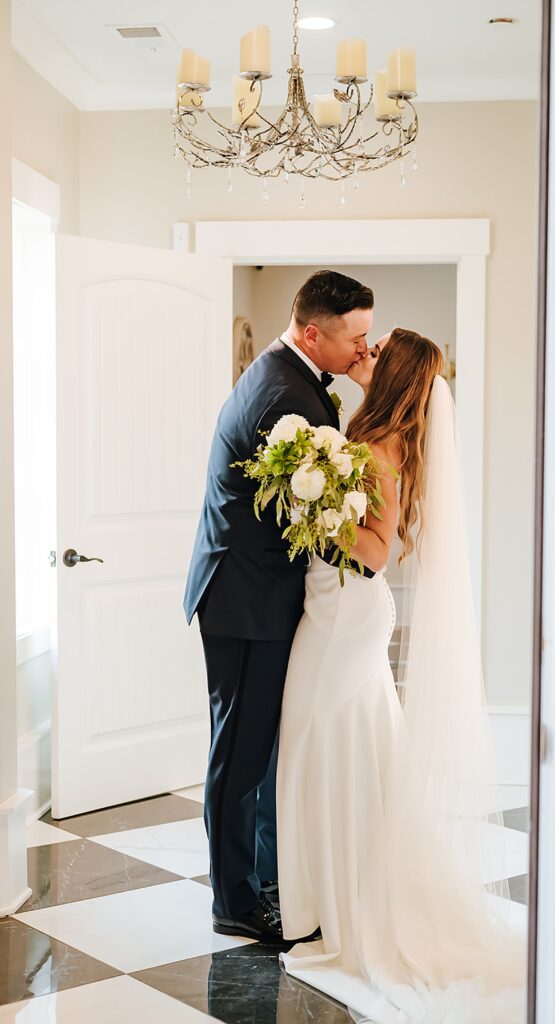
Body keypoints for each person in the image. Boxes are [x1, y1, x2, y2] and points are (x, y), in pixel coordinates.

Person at [276, 328, 525, 1022]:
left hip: (345, 617)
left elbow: (375, 553)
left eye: (378, 349)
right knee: (347, 747)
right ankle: (340, 893)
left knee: (321, 744)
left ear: (394, 373)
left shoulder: (375, 449)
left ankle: (344, 904)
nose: (367, 349)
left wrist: (315, 510)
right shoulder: (370, 430)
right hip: (337, 614)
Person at [183, 270, 374, 943]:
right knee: (239, 755)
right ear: (313, 332)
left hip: (260, 596)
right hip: (245, 601)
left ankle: (264, 878)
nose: (363, 351)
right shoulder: (283, 400)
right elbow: (319, 517)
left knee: (257, 750)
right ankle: (234, 900)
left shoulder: (293, 381)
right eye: (356, 338)